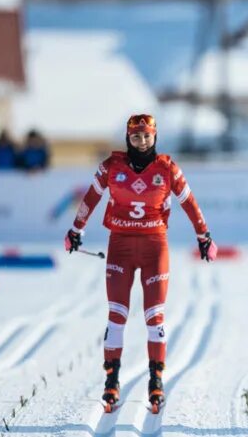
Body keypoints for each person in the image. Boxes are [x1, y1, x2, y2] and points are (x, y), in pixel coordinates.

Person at [65, 114, 218, 413]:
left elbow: (190, 202)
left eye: (146, 136)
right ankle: (112, 380)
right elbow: (91, 197)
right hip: (120, 246)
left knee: (154, 316)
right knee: (117, 315)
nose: (142, 141)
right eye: (136, 137)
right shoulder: (112, 167)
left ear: (155, 137)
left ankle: (156, 379)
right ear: (128, 138)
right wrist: (76, 229)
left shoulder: (167, 168)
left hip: (154, 247)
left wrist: (204, 235)